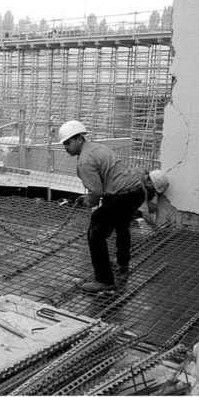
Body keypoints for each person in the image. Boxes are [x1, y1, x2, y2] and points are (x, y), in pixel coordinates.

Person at [58, 120, 145, 293]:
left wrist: (88, 201)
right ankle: (122, 264)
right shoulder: (97, 148)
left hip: (121, 197)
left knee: (95, 234)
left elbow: (96, 191)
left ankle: (104, 280)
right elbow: (105, 183)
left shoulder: (84, 161)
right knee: (121, 226)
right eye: (64, 144)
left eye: (68, 143)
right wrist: (92, 197)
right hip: (136, 192)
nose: (66, 147)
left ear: (79, 139)